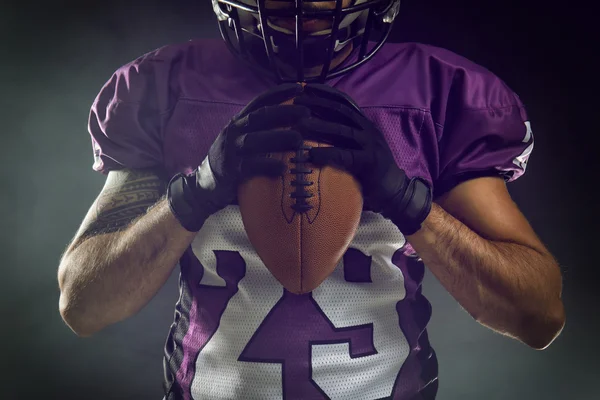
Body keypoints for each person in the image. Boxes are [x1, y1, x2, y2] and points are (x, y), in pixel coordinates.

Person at [57, 0, 566, 399]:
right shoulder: (164, 88)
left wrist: (406, 202)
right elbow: (83, 305)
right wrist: (196, 191)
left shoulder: (440, 93)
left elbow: (537, 316)